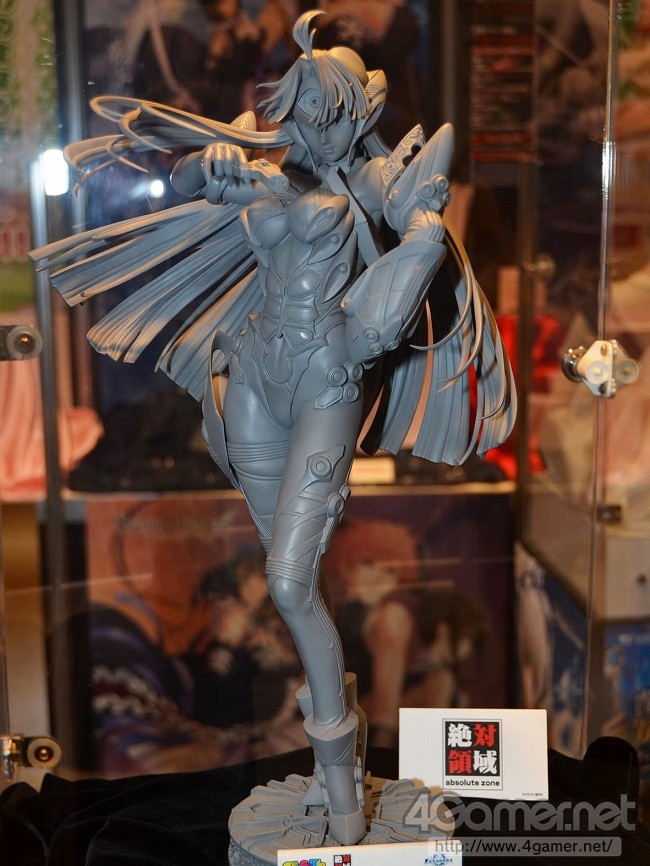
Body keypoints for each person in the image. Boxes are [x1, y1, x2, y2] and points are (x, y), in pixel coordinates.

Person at [32, 10, 515, 845]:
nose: (315, 129)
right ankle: (336, 765)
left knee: (289, 584)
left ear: (359, 114)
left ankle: (341, 781)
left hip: (328, 380)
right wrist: (208, 164)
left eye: (331, 115)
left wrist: (422, 228)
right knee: (292, 583)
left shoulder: (372, 181)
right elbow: (189, 178)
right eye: (304, 112)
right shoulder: (263, 164)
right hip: (254, 375)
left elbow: (409, 251)